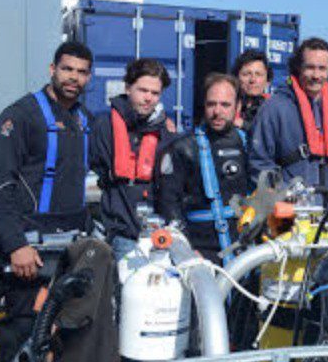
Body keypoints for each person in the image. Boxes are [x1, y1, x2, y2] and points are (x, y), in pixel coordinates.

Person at [0, 42, 119, 362]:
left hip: (68, 252)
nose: (73, 78)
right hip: (27, 254)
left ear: (89, 77)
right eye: (67, 69)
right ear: (52, 70)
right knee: (22, 334)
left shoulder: (85, 121)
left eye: (81, 72)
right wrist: (15, 244)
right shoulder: (21, 117)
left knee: (62, 335)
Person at [156, 73, 249, 263]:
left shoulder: (249, 144)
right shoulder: (182, 148)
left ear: (238, 106)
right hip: (200, 251)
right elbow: (168, 204)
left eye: (225, 105)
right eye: (211, 104)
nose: (217, 111)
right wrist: (186, 249)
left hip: (244, 250)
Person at [90, 58, 175, 261]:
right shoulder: (103, 126)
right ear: (128, 88)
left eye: (155, 93)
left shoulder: (165, 133)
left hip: (157, 234)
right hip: (120, 233)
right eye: (142, 90)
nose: (148, 98)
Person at [249, 37, 328, 196]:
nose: (316, 75)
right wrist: (280, 195)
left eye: (322, 68)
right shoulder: (273, 109)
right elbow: (259, 162)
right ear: (298, 67)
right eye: (310, 67)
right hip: (291, 205)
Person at [232, 49, 272, 131]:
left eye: (258, 74)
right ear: (236, 78)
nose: (253, 80)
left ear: (267, 82)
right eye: (246, 74)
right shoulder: (228, 104)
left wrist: (243, 124)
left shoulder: (273, 107)